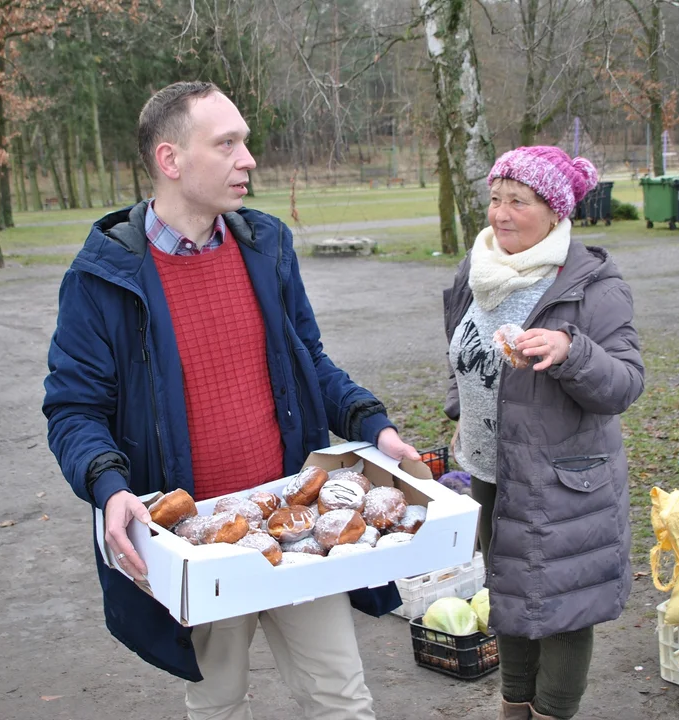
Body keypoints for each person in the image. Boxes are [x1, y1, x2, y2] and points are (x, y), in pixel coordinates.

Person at [43, 81, 420, 720]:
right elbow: (73, 408)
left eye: (245, 142)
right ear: (171, 160)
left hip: (294, 522)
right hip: (197, 541)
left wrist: (372, 425)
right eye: (227, 144)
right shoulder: (100, 279)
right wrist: (108, 489)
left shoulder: (266, 247)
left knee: (342, 698)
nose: (249, 158)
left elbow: (309, 362)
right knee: (217, 702)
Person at [441, 147, 645, 720]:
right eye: (495, 198)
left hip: (562, 478)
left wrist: (571, 350)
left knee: (563, 607)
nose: (500, 214)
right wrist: (464, 408)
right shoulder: (476, 270)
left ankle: (553, 712)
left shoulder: (592, 284)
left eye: (518, 202)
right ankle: (514, 707)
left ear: (555, 211)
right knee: (507, 591)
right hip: (489, 473)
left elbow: (625, 384)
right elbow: (461, 348)